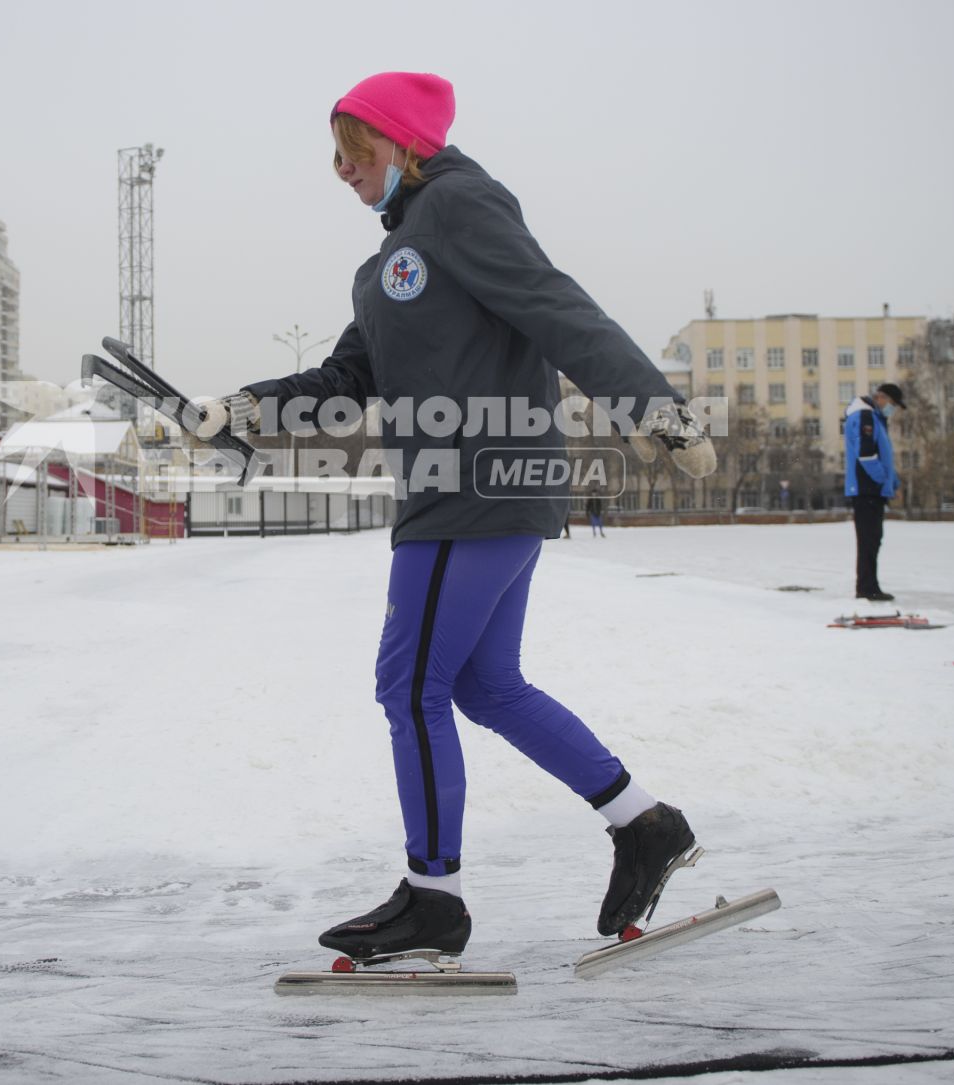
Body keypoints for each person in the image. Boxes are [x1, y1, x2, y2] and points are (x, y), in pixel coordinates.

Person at [194, 71, 717, 961]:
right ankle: (644, 824)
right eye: (335, 154)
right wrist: (248, 407)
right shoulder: (389, 263)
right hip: (480, 493)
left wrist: (650, 405)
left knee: (409, 687)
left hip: (472, 488)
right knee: (483, 685)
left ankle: (434, 898)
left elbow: (556, 305)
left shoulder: (462, 207)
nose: (342, 171)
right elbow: (346, 382)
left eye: (354, 150)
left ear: (402, 144)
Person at [843, 382, 906, 601]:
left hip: (872, 488)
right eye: (893, 404)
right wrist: (882, 481)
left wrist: (893, 483)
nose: (893, 409)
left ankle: (869, 584)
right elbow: (867, 455)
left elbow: (884, 457)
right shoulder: (866, 417)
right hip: (866, 488)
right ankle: (867, 587)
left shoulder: (875, 418)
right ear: (881, 398)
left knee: (873, 538)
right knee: (869, 539)